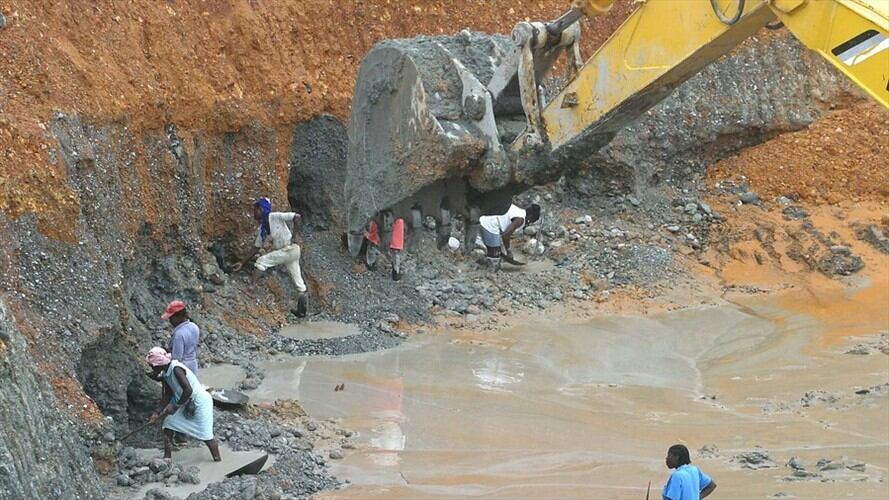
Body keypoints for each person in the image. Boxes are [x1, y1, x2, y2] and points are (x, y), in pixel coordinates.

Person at [232, 197, 308, 317]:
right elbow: (256, 247)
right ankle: (301, 312)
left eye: (256, 210)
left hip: (290, 249)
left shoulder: (275, 216)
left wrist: (295, 235)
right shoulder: (264, 229)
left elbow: (296, 216)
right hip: (290, 252)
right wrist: (242, 262)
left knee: (261, 261)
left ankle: (251, 287)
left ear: (262, 209)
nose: (254, 213)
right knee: (300, 285)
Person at [146, 347, 220, 461]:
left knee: (206, 435)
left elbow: (188, 390)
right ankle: (167, 457)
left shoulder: (176, 369)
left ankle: (217, 459)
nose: (152, 368)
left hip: (200, 402)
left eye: (152, 366)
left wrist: (175, 406)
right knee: (168, 424)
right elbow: (168, 394)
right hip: (186, 402)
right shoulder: (166, 373)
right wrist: (157, 412)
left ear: (159, 364)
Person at [478, 203, 541, 269]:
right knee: (495, 254)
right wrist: (508, 251)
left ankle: (487, 260)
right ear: (530, 216)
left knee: (497, 249)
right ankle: (490, 270)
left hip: (484, 218)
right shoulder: (520, 219)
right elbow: (505, 235)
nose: (528, 223)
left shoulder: (519, 209)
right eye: (530, 221)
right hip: (489, 224)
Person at [162, 300, 199, 374]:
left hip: (183, 369)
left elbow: (177, 359)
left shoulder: (178, 334)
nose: (170, 320)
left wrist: (166, 352)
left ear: (179, 316)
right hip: (193, 365)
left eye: (171, 318)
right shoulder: (193, 326)